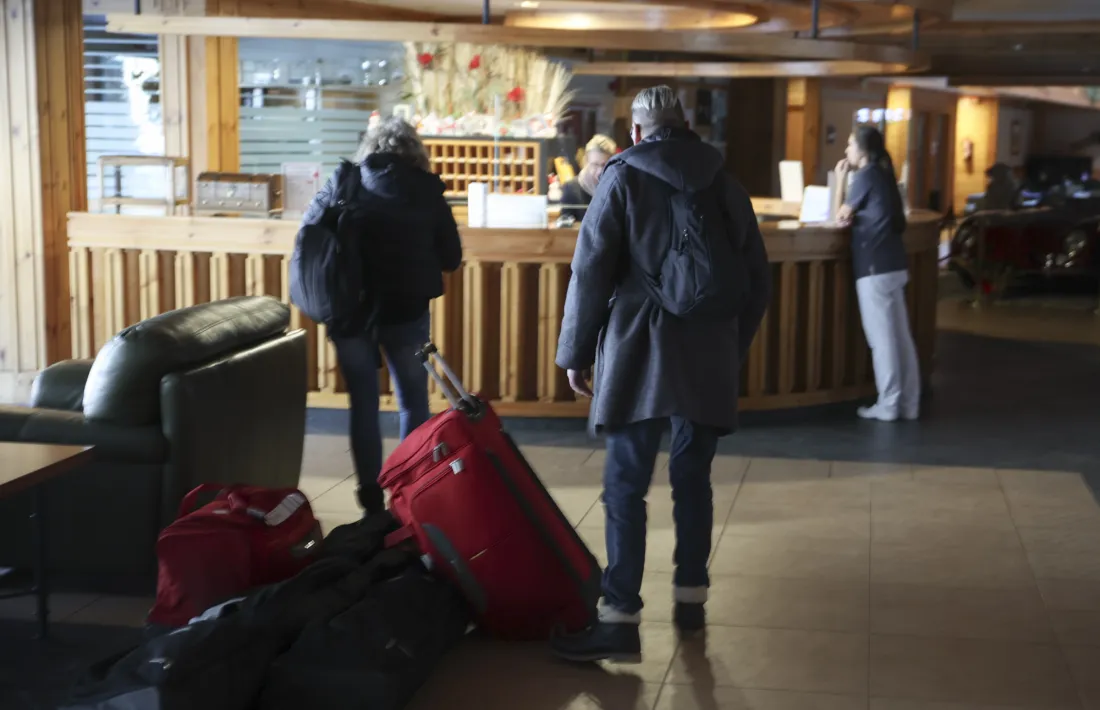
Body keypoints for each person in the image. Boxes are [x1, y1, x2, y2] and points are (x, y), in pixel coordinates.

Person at [551, 86, 771, 662]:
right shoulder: (724, 182)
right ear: (687, 125)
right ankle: (690, 602)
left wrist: (575, 352)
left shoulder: (621, 179)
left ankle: (620, 619)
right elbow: (756, 280)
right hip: (708, 355)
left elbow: (590, 271)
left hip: (636, 352)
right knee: (692, 479)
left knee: (626, 486)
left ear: (637, 133)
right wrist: (732, 345)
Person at [301, 117, 462, 514]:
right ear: (415, 152)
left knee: (363, 402)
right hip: (406, 312)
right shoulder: (427, 193)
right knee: (411, 402)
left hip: (349, 313)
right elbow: (451, 258)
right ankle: (410, 491)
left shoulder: (344, 183)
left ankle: (370, 500)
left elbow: (310, 233)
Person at [836, 125, 920, 422]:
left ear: (862, 149)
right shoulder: (885, 173)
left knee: (881, 341)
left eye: (849, 144)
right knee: (900, 337)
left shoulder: (865, 175)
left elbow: (840, 216)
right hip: (894, 264)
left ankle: (889, 404)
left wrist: (841, 179)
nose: (846, 150)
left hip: (873, 267)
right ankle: (909, 402)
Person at [560, 134, 617, 222]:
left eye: (604, 165)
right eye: (595, 165)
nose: (600, 171)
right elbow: (565, 229)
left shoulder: (618, 187)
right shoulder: (571, 188)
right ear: (586, 161)